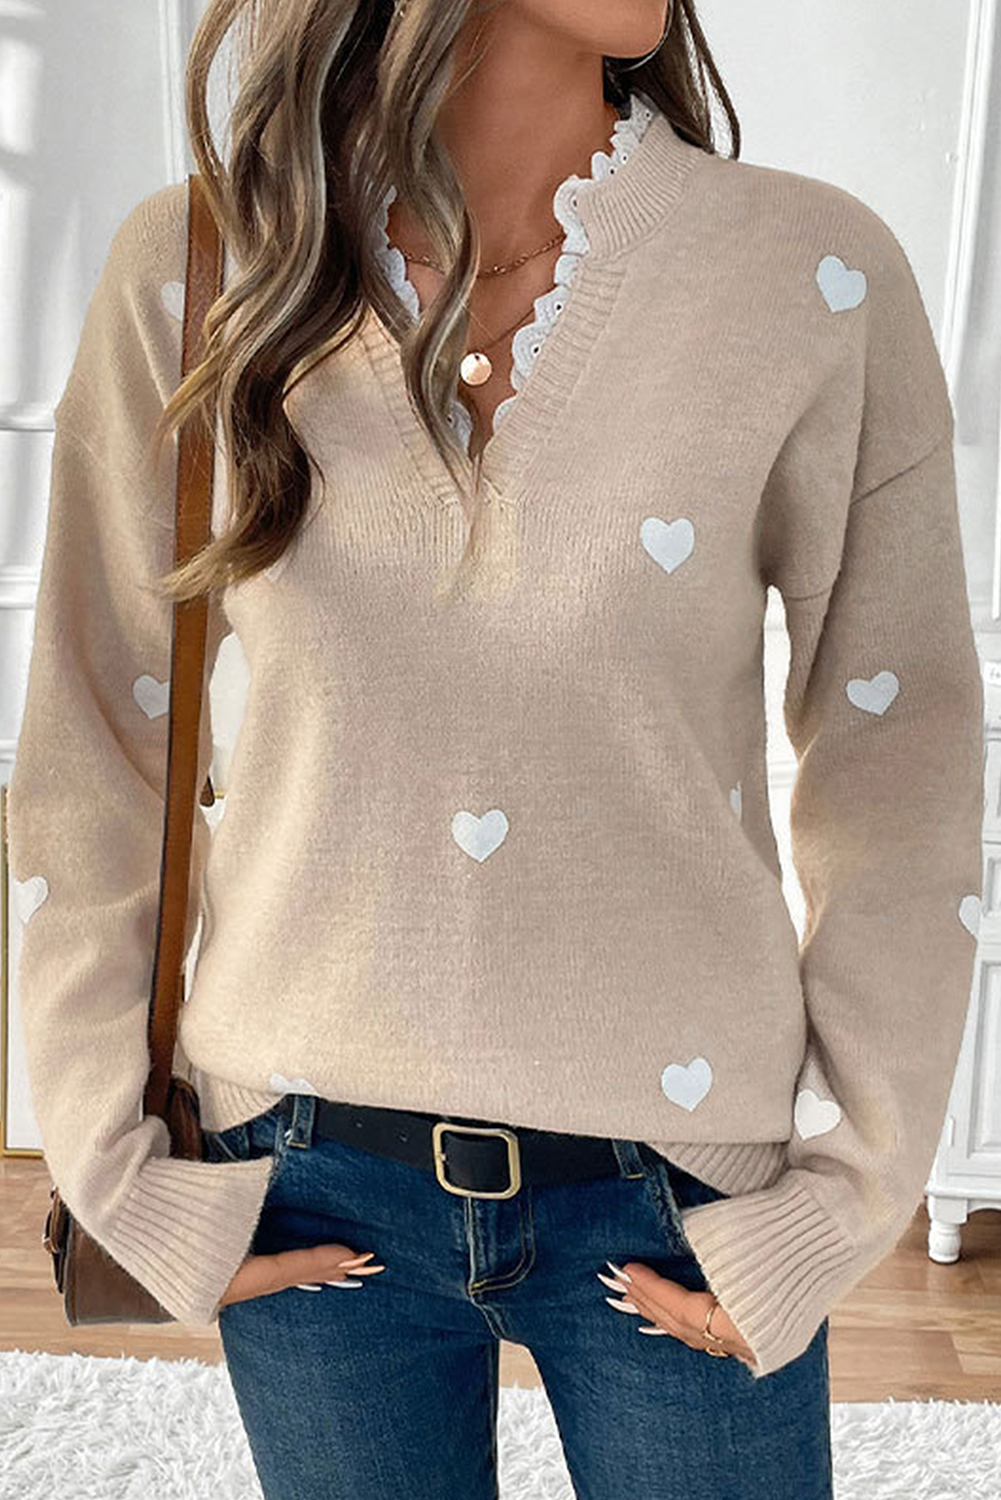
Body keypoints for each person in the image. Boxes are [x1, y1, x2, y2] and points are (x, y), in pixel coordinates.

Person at [8, 1, 984, 1496]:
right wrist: (119, 1176)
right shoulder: (204, 269)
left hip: (684, 1193)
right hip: (300, 1172)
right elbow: (96, 746)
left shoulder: (810, 274)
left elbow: (898, 755)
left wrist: (843, 1197)